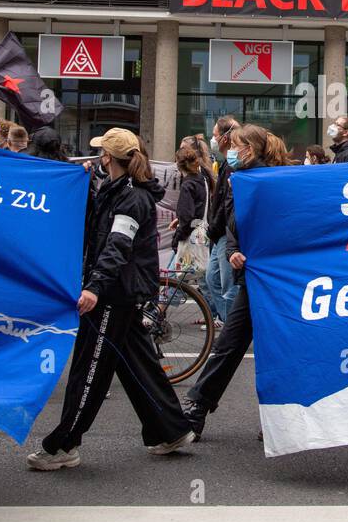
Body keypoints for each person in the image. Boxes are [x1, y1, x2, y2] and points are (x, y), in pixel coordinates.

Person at [28, 128, 193, 469]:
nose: (97, 158)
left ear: (109, 158)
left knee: (89, 370)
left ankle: (64, 445)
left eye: (101, 153)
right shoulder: (116, 189)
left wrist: (94, 287)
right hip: (120, 290)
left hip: (114, 292)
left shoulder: (130, 197)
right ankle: (172, 429)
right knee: (137, 365)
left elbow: (117, 245)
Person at [182, 124, 291, 440]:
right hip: (250, 276)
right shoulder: (235, 177)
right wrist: (233, 250)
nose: (229, 149)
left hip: (272, 278)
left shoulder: (270, 180)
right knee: (228, 345)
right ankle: (197, 410)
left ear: (250, 149)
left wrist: (250, 251)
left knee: (275, 349)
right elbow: (233, 223)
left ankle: (277, 419)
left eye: (236, 145)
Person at [204, 116, 240, 322]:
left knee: (228, 286)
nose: (213, 139)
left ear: (225, 137)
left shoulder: (233, 165)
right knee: (213, 279)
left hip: (226, 232)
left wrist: (214, 226)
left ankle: (232, 331)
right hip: (221, 233)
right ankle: (229, 325)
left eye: (216, 135)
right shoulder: (227, 163)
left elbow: (227, 203)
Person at [171, 147, 209, 253]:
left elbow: (187, 218)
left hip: (190, 237)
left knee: (180, 268)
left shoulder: (187, 185)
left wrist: (177, 238)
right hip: (203, 233)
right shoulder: (203, 180)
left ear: (178, 165)